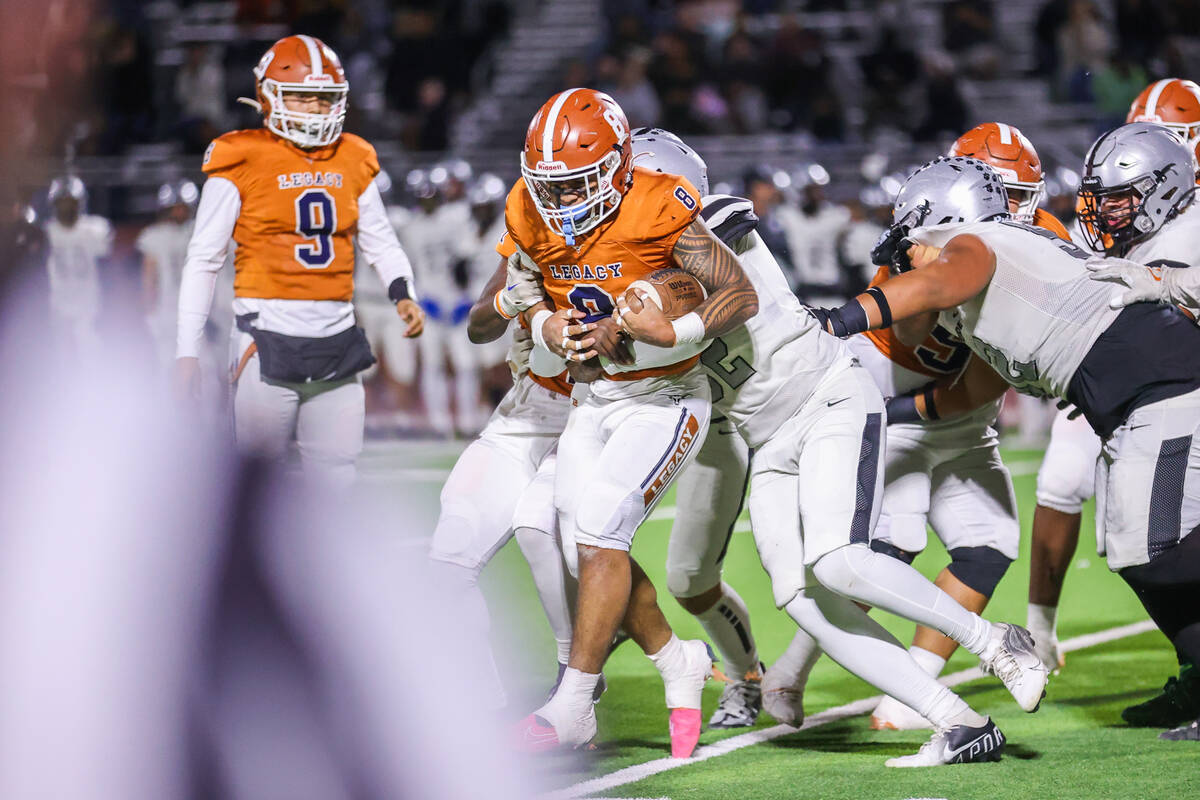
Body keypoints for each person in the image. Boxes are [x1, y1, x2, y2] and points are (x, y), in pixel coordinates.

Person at [630, 131, 1047, 767]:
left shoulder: (709, 222)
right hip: (764, 435)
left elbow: (715, 251)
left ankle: (997, 642)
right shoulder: (614, 268)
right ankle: (959, 723)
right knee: (800, 596)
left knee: (840, 560)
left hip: (826, 396)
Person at [812, 145, 1200, 744]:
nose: (906, 262)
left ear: (940, 217)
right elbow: (969, 391)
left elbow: (940, 279)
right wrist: (888, 410)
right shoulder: (984, 294)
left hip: (1160, 380)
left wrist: (840, 320)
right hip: (1134, 394)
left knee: (1155, 548)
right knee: (1129, 548)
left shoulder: (975, 242)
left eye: (909, 244)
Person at [768, 122, 1070, 732]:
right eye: (998, 194)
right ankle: (789, 672)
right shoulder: (928, 242)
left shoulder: (1044, 238)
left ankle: (908, 696)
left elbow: (981, 388)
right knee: (877, 550)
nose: (1011, 212)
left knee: (988, 547)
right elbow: (908, 332)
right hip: (888, 393)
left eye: (1020, 195)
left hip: (961, 414)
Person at [510, 88, 759, 758]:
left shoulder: (657, 203)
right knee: (578, 545)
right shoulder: (528, 207)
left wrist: (669, 326)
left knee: (598, 529)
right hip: (594, 399)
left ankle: (573, 705)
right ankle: (678, 661)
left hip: (667, 397)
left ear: (620, 167)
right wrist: (543, 322)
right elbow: (525, 282)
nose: (562, 202)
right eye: (551, 187)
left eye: (578, 185)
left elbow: (740, 292)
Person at [175, 35, 423, 487]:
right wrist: (186, 351)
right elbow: (203, 260)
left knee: (337, 478)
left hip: (337, 338)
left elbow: (381, 240)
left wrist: (401, 291)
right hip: (265, 336)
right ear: (269, 97)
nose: (312, 108)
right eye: (300, 96)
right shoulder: (241, 156)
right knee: (256, 487)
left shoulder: (354, 156)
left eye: (323, 98)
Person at [44, 175, 112, 358]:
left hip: (88, 307)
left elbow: (107, 271)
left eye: (71, 202)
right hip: (57, 306)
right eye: (63, 202)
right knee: (56, 359)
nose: (67, 207)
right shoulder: (46, 233)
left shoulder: (95, 229)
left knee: (90, 356)